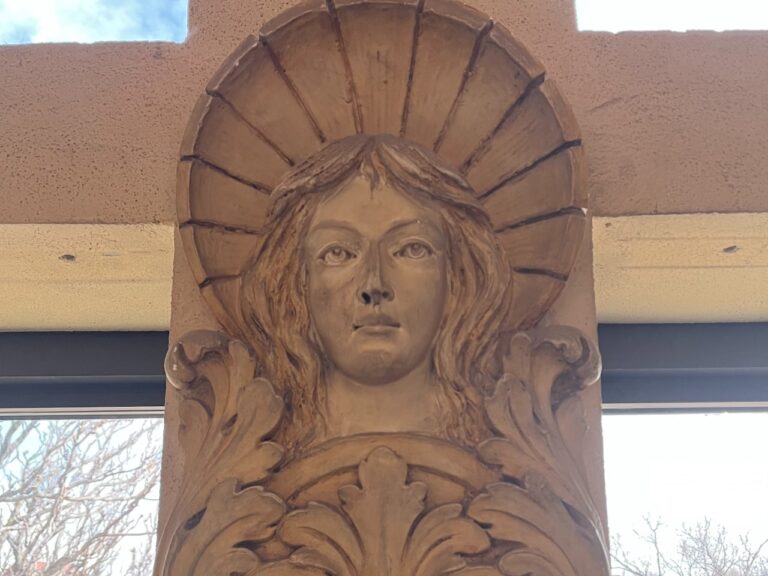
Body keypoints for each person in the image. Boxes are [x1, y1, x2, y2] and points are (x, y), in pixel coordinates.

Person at [240, 134, 513, 453]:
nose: (374, 286)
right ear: (295, 283)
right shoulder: (261, 446)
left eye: (412, 249)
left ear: (458, 278)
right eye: (338, 253)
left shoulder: (500, 445)